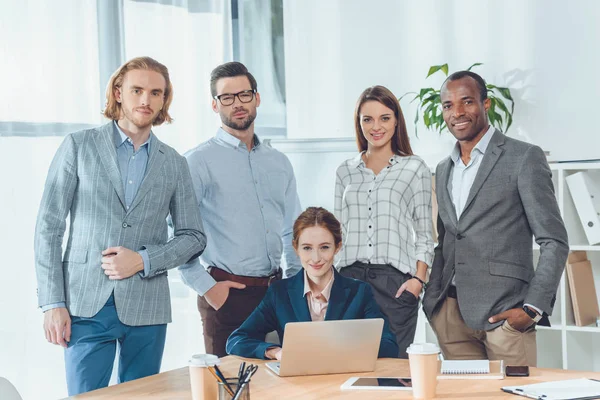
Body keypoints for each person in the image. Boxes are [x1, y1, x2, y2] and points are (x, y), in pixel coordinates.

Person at [34, 57, 206, 395]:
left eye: (156, 93)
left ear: (164, 100)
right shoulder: (78, 146)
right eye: (137, 90)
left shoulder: (174, 162)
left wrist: (143, 259)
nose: (146, 100)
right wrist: (53, 303)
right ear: (118, 93)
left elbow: (193, 236)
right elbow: (49, 227)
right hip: (84, 304)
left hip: (147, 306)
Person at [422, 70, 569, 366]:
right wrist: (433, 302)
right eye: (448, 105)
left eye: (467, 101)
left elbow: (554, 239)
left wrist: (532, 309)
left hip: (506, 316)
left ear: (485, 104)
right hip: (451, 315)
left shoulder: (523, 157)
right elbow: (447, 239)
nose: (458, 112)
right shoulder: (443, 168)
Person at [180, 61, 302, 358]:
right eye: (227, 97)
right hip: (226, 295)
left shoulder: (279, 162)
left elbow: (292, 229)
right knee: (229, 388)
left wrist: (296, 284)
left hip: (276, 293)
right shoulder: (197, 162)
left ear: (257, 98)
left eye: (244, 95)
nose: (237, 103)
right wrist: (207, 288)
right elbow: (177, 236)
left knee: (278, 385)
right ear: (214, 104)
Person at [335, 85, 434, 358]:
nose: (376, 126)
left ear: (396, 121)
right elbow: (336, 234)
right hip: (348, 280)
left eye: (385, 118)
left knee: (394, 372)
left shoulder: (415, 168)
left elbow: (426, 233)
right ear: (359, 123)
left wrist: (417, 281)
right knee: (350, 367)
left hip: (395, 285)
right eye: (367, 119)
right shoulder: (345, 170)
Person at [226, 207, 398, 359]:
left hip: (343, 382)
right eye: (307, 248)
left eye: (324, 247)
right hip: (298, 386)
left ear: (337, 247)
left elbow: (389, 345)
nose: (316, 258)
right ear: (296, 248)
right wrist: (275, 352)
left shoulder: (359, 292)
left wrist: (345, 348)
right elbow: (236, 341)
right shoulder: (279, 293)